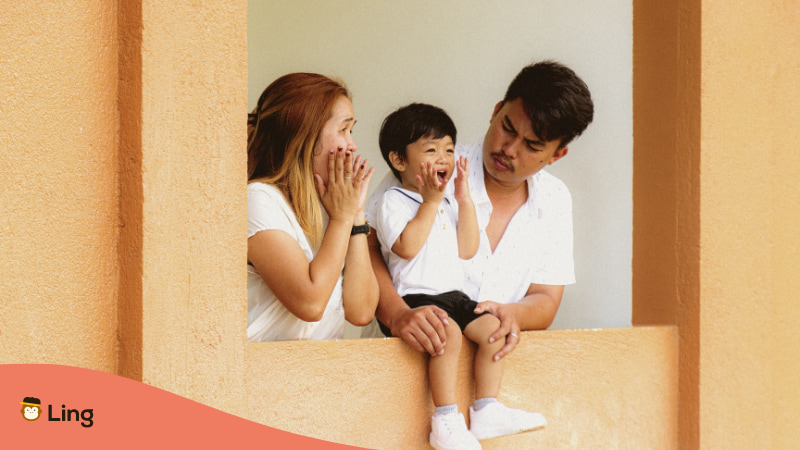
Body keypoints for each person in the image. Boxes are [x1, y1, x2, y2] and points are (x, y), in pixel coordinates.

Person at [366, 61, 594, 438]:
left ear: (556, 155)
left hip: (487, 394)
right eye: (507, 127)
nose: (508, 148)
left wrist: (511, 315)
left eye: (532, 145)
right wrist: (396, 314)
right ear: (496, 110)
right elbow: (369, 246)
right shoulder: (432, 164)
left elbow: (546, 299)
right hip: (400, 374)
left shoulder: (554, 200)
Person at [374, 103, 547, 449]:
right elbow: (406, 246)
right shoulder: (392, 200)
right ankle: (445, 419)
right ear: (399, 160)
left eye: (449, 149)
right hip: (416, 297)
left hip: (453, 294)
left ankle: (486, 410)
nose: (443, 158)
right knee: (448, 336)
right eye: (430, 149)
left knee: (494, 330)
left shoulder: (448, 201)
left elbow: (468, 248)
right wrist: (431, 202)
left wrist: (463, 199)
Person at [247, 73, 379, 342]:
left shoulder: (329, 208)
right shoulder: (257, 199)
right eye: (343, 129)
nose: (352, 145)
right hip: (261, 378)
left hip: (318, 378)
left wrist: (355, 216)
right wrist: (341, 219)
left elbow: (362, 310)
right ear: (305, 133)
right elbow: (310, 303)